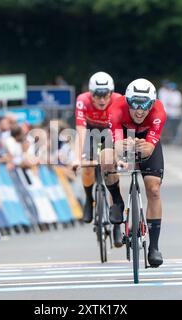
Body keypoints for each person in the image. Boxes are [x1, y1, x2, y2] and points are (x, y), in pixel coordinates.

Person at [103, 78, 166, 268]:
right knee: (105, 158)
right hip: (122, 135)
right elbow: (117, 143)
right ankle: (117, 200)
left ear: (152, 103)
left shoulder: (159, 111)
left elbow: (148, 149)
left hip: (146, 140)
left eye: (145, 105)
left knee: (153, 189)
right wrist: (122, 147)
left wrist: (145, 147)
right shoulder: (115, 108)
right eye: (134, 104)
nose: (139, 110)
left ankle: (153, 247)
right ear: (127, 101)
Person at [73, 71, 123, 247]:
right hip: (90, 133)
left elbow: (119, 132)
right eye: (97, 96)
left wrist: (120, 156)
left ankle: (117, 225)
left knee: (111, 172)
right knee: (87, 167)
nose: (102, 100)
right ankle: (89, 199)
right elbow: (80, 131)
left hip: (111, 133)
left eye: (105, 95)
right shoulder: (82, 100)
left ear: (111, 93)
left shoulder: (119, 100)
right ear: (90, 94)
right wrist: (78, 158)